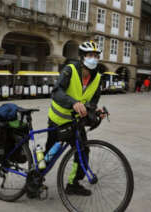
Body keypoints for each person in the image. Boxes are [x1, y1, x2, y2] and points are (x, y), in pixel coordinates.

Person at [46, 41, 105, 196]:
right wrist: (73, 103)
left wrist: (95, 111)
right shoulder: (70, 70)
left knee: (83, 151)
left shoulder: (98, 78)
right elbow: (56, 92)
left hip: (75, 123)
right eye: (90, 55)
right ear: (82, 57)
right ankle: (34, 180)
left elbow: (92, 102)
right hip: (57, 121)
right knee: (49, 155)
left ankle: (73, 184)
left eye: (96, 56)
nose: (94, 59)